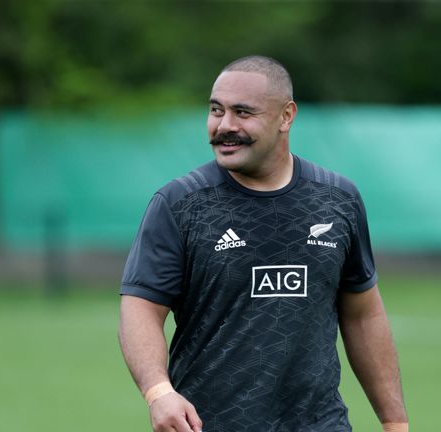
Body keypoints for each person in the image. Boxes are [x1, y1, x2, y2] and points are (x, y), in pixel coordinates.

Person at [118, 55, 408, 432]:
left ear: (286, 116)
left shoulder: (339, 200)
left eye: (243, 113)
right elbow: (140, 309)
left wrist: (395, 422)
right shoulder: (179, 204)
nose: (225, 126)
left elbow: (364, 313)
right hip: (209, 424)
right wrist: (159, 392)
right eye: (216, 110)